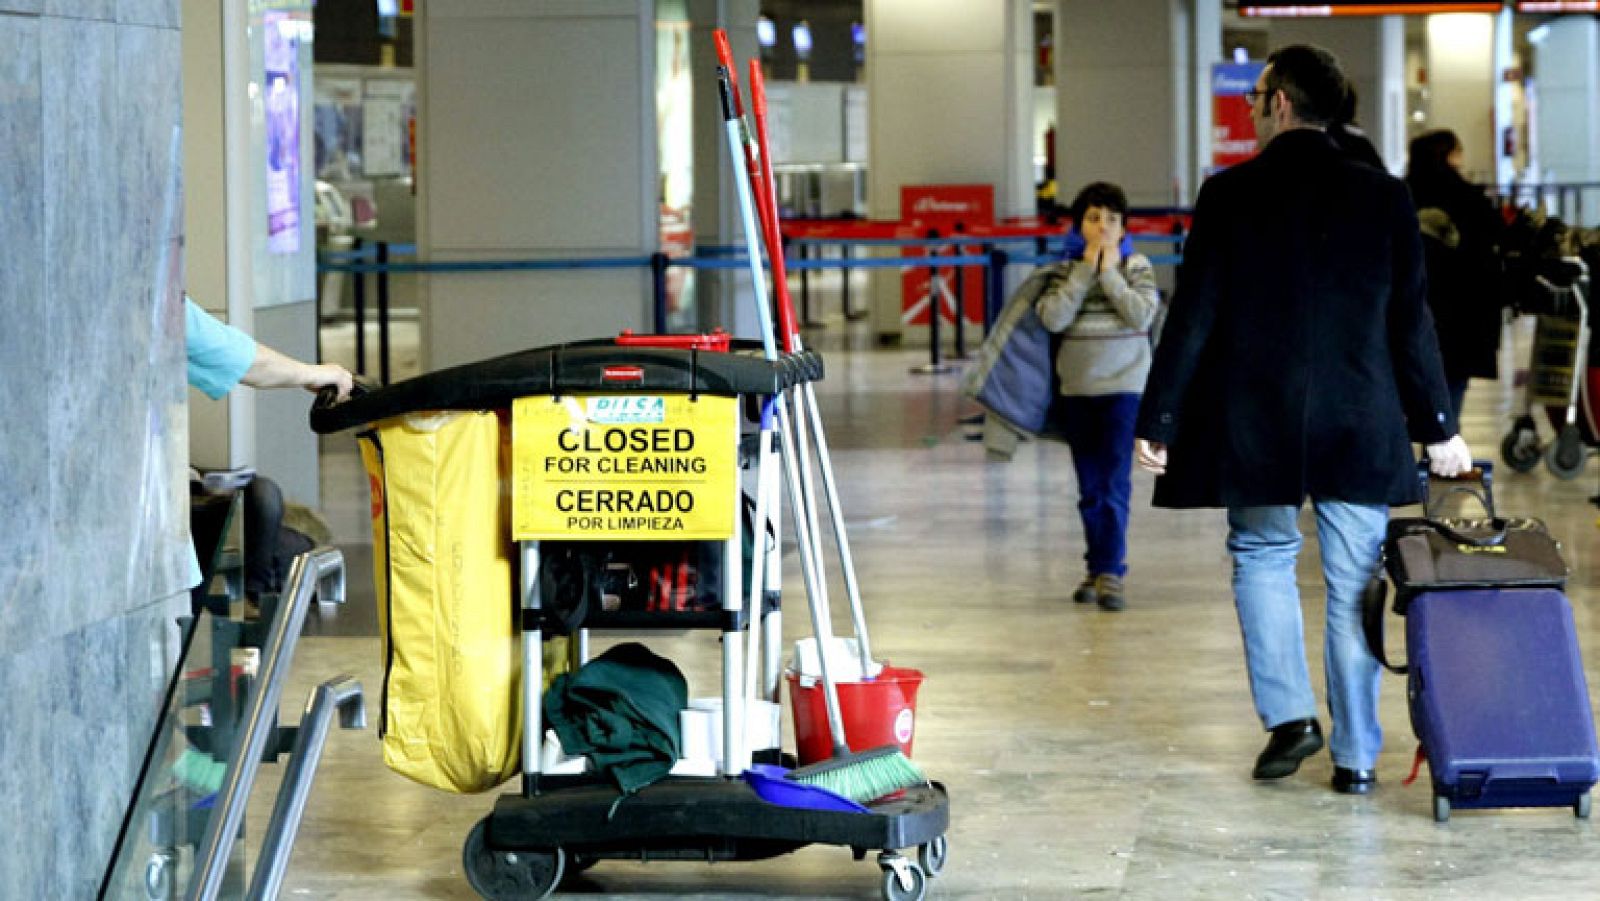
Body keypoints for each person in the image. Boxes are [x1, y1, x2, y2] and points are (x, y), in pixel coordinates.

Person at [1133, 45, 1473, 795]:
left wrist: (1160, 414)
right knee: (1355, 579)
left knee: (1261, 554)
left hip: (1257, 418)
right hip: (1359, 417)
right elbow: (1409, 323)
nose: (1250, 109)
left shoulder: (1228, 193)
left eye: (1254, 96)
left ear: (1280, 101)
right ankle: (1354, 757)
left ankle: (1290, 717)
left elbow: (1194, 313)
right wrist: (1440, 426)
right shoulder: (1384, 196)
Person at [1033, 182, 1162, 611]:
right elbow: (1052, 317)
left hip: (1125, 388)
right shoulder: (1064, 270)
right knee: (1089, 486)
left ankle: (1111, 571)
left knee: (1113, 482)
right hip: (1078, 390)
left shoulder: (1137, 266)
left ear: (1124, 227)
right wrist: (1085, 271)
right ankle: (1096, 565)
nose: (1102, 227)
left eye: (1111, 219)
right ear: (1078, 225)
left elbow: (1143, 313)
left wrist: (1108, 274)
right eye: (1093, 218)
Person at [186, 297, 353, 608]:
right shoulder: (150, 294)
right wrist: (313, 374)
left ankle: (253, 599)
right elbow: (239, 358)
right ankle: (253, 605)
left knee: (262, 499)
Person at [1406, 129, 1505, 421]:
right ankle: (1443, 446)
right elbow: (1492, 243)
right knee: (1452, 387)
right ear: (1448, 155)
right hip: (1463, 313)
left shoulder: (1400, 194)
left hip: (1413, 307)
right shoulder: (1470, 199)